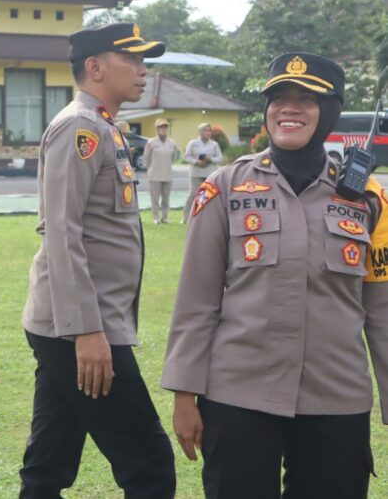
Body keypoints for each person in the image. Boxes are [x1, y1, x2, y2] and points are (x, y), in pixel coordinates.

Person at [162, 52, 388, 498]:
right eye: (279, 97)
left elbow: (381, 310)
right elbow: (196, 301)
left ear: (331, 112)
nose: (289, 108)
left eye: (306, 99)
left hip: (336, 397)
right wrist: (183, 395)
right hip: (239, 396)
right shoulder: (225, 187)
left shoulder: (369, 198)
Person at [20, 22, 176, 498]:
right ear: (95, 66)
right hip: (82, 327)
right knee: (148, 463)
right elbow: (62, 231)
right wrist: (88, 330)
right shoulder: (81, 127)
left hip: (68, 323)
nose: (143, 71)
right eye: (132, 60)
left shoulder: (104, 124)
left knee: (50, 461)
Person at [182, 122, 222, 223]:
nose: (208, 132)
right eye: (205, 130)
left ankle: (209, 218)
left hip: (211, 173)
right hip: (196, 172)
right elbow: (186, 156)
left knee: (211, 195)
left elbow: (219, 158)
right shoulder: (193, 143)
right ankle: (186, 217)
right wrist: (196, 162)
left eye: (209, 130)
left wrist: (210, 159)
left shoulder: (214, 144)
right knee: (193, 194)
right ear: (200, 132)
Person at [143, 118, 180, 224]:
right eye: (161, 127)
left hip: (167, 174)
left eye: (165, 127)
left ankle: (165, 217)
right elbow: (146, 158)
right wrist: (150, 168)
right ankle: (156, 218)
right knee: (155, 199)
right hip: (154, 175)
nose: (163, 130)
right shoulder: (151, 142)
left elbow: (174, 158)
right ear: (157, 129)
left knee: (166, 199)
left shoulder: (172, 143)